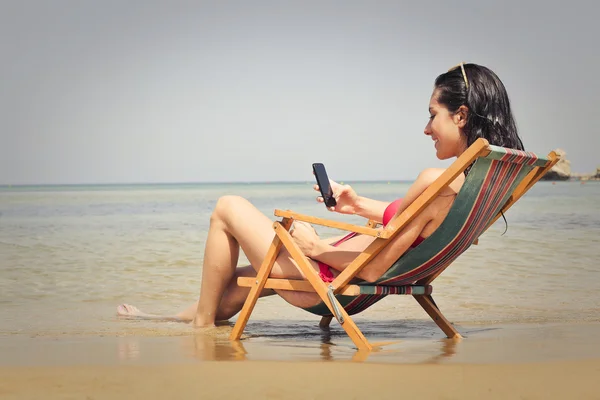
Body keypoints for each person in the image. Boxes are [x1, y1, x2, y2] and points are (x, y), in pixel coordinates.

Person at [117, 63, 525, 326]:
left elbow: (369, 269)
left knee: (227, 207)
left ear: (461, 115)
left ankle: (202, 328)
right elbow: (415, 225)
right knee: (239, 279)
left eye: (432, 114)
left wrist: (313, 248)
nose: (426, 127)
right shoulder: (467, 187)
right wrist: (357, 204)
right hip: (339, 269)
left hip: (332, 277)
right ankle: (167, 319)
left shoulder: (435, 179)